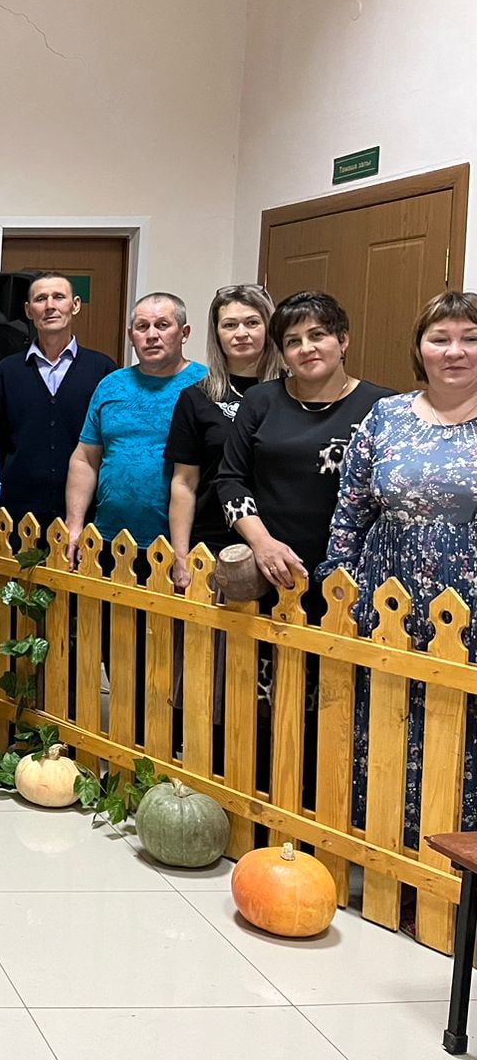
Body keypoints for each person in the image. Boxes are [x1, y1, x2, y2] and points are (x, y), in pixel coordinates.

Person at [320, 292, 477, 873]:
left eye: (471, 339)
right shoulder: (385, 416)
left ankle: (452, 871)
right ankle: (385, 856)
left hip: (469, 603)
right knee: (387, 716)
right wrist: (339, 584)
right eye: (441, 339)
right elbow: (350, 510)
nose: (455, 351)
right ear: (419, 349)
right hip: (388, 595)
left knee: (458, 727)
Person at [217, 290, 393, 611]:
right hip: (270, 568)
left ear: (343, 340)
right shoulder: (259, 401)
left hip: (355, 572)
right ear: (283, 354)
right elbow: (230, 480)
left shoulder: (383, 406)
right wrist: (262, 543)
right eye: (293, 341)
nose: (306, 348)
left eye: (317, 335)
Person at [65, 292, 208, 567]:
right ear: (131, 336)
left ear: (184, 333)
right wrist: (74, 526)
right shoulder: (110, 385)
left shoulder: (206, 385)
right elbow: (85, 459)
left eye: (162, 325)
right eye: (142, 327)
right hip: (106, 540)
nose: (152, 335)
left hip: (182, 548)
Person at [166, 286, 281, 591]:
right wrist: (181, 556)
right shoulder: (196, 398)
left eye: (252, 322)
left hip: (281, 544)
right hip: (214, 548)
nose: (241, 333)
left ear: (270, 328)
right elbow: (184, 482)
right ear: (217, 334)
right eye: (230, 325)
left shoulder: (293, 393)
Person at [0, 271, 116, 532]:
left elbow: (110, 445)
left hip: (85, 518)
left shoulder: (103, 370)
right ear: (28, 310)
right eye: (41, 299)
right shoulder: (8, 371)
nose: (50, 306)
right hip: (18, 517)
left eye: (59, 297)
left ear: (75, 305)